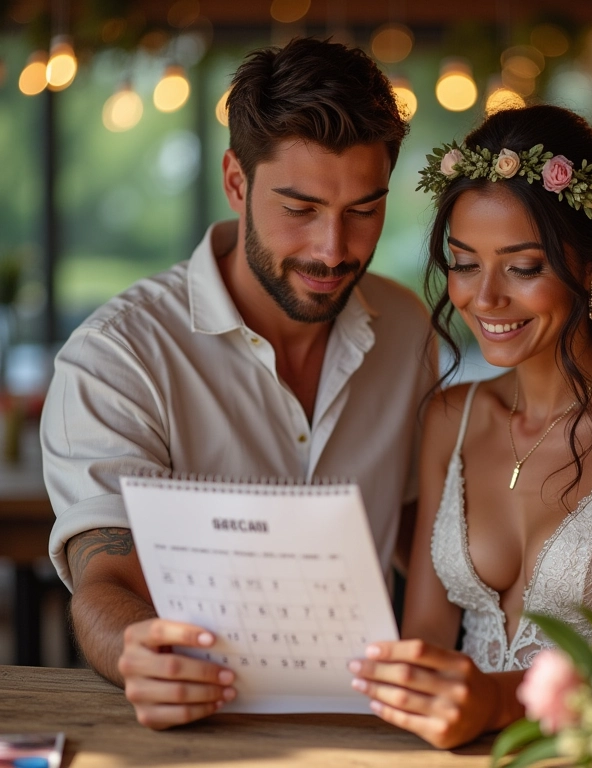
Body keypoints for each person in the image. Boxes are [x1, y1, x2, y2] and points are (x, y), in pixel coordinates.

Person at [41, 37, 437, 730]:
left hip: (373, 729)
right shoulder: (119, 355)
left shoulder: (408, 328)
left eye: (364, 211)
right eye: (300, 208)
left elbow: (426, 533)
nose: (333, 248)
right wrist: (136, 652)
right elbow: (105, 582)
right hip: (194, 728)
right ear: (235, 182)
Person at [348, 104, 592, 748]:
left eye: (522, 267)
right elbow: (428, 639)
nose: (484, 298)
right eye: (464, 263)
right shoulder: (451, 416)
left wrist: (494, 702)